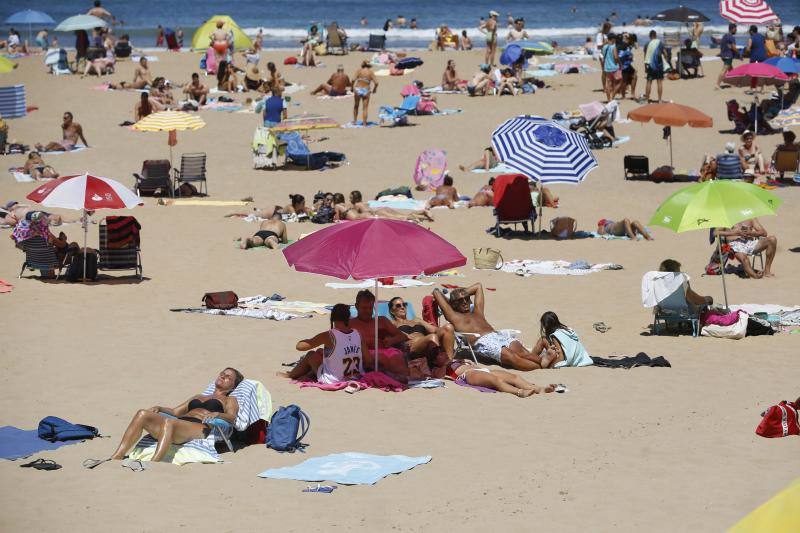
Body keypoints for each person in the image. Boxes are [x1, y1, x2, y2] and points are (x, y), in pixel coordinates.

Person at [89, 368, 243, 466]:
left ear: (233, 387)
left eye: (228, 377)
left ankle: (154, 463)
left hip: (200, 427)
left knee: (170, 422)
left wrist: (217, 414)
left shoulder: (230, 400)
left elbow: (231, 417)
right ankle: (117, 456)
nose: (223, 376)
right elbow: (176, 412)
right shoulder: (198, 396)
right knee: (142, 413)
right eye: (222, 373)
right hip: (179, 423)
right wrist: (160, 408)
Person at [433, 284, 543, 371]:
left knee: (523, 353)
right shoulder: (454, 316)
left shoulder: (477, 311)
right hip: (484, 341)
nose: (465, 302)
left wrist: (461, 293)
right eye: (461, 300)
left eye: (467, 298)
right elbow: (436, 292)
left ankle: (545, 362)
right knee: (512, 358)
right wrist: (450, 299)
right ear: (454, 304)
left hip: (498, 335)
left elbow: (478, 286)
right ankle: (542, 367)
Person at [281, 304, 368, 383]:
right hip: (356, 377)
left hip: (334, 380)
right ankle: (308, 374)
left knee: (311, 355)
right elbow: (368, 359)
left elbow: (299, 347)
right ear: (348, 318)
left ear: (332, 318)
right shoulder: (358, 333)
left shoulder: (329, 335)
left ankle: (290, 375)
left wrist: (310, 340)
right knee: (324, 354)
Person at [350, 290, 409, 376]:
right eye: (364, 308)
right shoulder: (350, 323)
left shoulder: (381, 321)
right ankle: (392, 377)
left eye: (370, 308)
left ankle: (399, 377)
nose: (367, 311)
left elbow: (402, 336)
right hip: (365, 355)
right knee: (382, 359)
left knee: (396, 358)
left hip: (386, 351)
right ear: (356, 307)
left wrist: (392, 340)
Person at [388, 296, 455, 359]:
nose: (402, 307)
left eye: (404, 305)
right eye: (398, 306)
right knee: (432, 337)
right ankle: (438, 360)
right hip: (411, 346)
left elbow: (434, 330)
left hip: (425, 340)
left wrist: (445, 329)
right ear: (392, 311)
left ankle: (450, 360)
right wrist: (406, 335)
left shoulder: (416, 320)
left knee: (448, 327)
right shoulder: (393, 323)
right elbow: (387, 330)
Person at [446, 359, 557, 397]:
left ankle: (539, 389)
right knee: (496, 381)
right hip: (467, 374)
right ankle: (519, 392)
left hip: (481, 369)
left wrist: (461, 360)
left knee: (515, 377)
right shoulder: (441, 365)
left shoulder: (450, 357)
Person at [345, 191, 433, 222]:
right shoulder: (365, 203)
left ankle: (416, 216)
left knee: (401, 218)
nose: (349, 199)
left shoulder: (356, 205)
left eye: (350, 198)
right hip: (379, 210)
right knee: (402, 215)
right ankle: (422, 212)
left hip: (376, 213)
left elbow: (354, 214)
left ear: (355, 198)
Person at [643, 30, 667, 103]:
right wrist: (665, 61)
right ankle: (659, 100)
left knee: (649, 82)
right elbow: (665, 54)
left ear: (650, 36)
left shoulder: (647, 44)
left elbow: (645, 56)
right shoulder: (660, 43)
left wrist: (645, 67)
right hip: (658, 65)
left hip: (650, 65)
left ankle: (647, 99)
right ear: (656, 35)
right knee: (659, 82)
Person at [716, 24, 739, 90]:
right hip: (728, 56)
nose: (736, 30)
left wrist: (721, 53)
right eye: (735, 29)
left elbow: (722, 45)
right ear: (732, 29)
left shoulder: (725, 36)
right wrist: (739, 54)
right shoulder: (731, 37)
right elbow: (734, 47)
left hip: (723, 55)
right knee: (724, 70)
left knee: (731, 70)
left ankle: (734, 83)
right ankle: (717, 85)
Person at [617, 33, 637, 99]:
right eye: (632, 41)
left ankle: (632, 93)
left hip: (627, 64)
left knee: (634, 76)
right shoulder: (624, 45)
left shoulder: (628, 45)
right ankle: (624, 95)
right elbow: (620, 55)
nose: (633, 43)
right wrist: (629, 55)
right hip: (624, 65)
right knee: (624, 80)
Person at [601, 33, 620, 102]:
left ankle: (609, 99)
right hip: (614, 67)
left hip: (607, 67)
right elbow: (615, 57)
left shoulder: (604, 47)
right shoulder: (613, 47)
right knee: (618, 82)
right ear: (613, 39)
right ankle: (612, 97)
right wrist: (618, 61)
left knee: (608, 84)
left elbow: (603, 56)